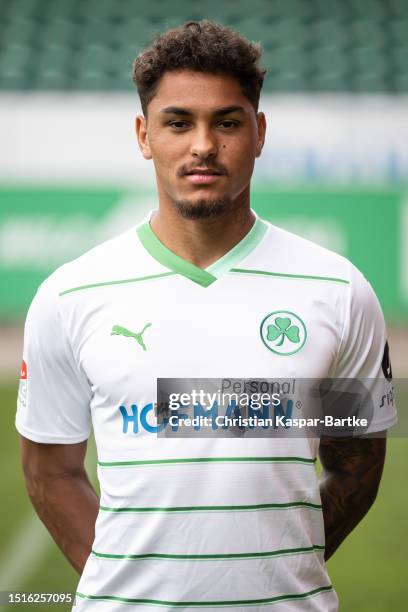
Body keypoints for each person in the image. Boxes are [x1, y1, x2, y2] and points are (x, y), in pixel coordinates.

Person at [16, 20, 396, 611]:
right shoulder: (70, 294)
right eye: (177, 123)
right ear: (144, 135)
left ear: (259, 132)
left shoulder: (341, 290)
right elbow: (51, 470)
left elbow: (358, 466)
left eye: (226, 122)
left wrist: (277, 572)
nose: (202, 145)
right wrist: (131, 586)